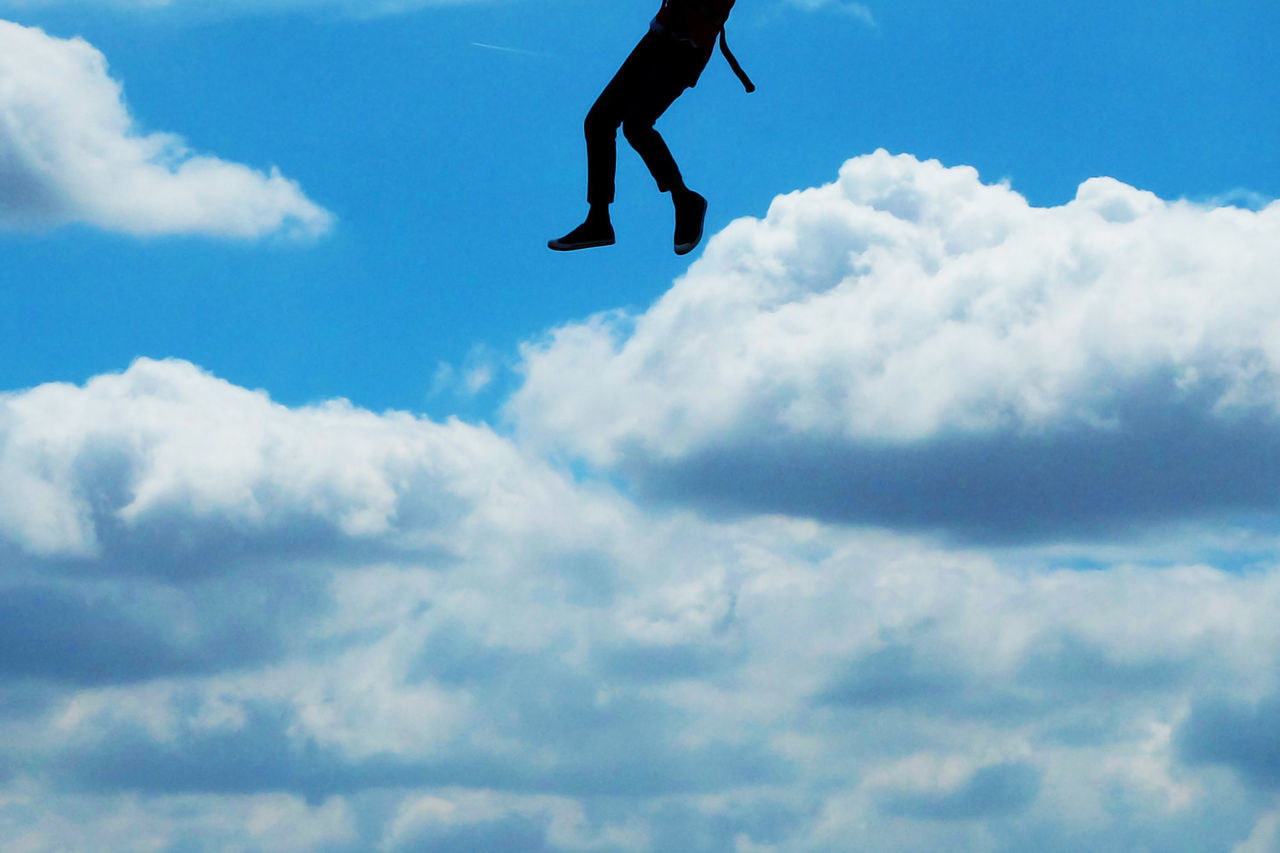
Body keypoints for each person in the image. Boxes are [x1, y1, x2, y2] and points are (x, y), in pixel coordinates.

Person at [549, 0, 753, 255]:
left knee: (636, 125)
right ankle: (598, 220)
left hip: (687, 47)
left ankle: (684, 200)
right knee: (599, 121)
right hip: (658, 37)